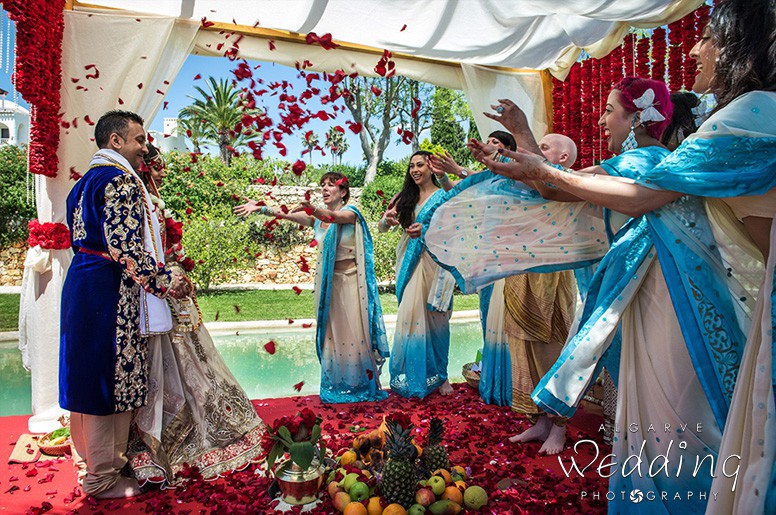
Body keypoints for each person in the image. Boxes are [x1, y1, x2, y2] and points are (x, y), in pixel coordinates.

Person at [484, 77, 752, 514]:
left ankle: (677, 497)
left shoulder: (642, 160)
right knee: (664, 402)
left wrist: (524, 139)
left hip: (662, 294)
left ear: (637, 118)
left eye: (610, 110)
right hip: (658, 289)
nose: (603, 118)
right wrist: (521, 135)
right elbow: (554, 184)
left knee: (666, 404)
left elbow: (554, 183)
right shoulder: (648, 161)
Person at [646, 2, 776, 512]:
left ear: (739, 43)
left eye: (707, 36)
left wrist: (541, 174)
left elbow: (643, 193)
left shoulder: (752, 112)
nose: (694, 48)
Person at [60, 110, 189, 498]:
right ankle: (103, 477)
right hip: (109, 293)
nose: (144, 148)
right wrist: (168, 283)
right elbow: (126, 250)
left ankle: (89, 460)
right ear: (115, 142)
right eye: (139, 139)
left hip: (83, 283)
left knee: (86, 373)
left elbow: (81, 240)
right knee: (110, 380)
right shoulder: (121, 182)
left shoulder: (82, 184)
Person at [126, 144, 265, 486]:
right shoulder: (141, 203)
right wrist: (170, 277)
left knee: (194, 357)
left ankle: (208, 416)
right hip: (158, 292)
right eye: (156, 166)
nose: (161, 171)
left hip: (173, 289)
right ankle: (168, 439)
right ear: (144, 167)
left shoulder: (152, 202)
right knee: (173, 360)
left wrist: (179, 270)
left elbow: (168, 249)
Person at [234, 172, 389, 403]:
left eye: (330, 186)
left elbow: (333, 217)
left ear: (343, 191)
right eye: (322, 186)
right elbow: (285, 214)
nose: (325, 189)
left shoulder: (351, 213)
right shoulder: (317, 219)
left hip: (351, 282)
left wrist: (313, 209)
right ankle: (339, 385)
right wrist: (261, 208)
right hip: (328, 284)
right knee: (333, 335)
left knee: (356, 334)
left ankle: (362, 385)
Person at [381, 151, 457, 398]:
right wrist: (388, 219)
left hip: (436, 264)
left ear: (431, 167)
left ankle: (441, 376)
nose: (415, 170)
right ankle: (415, 377)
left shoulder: (443, 195)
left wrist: (426, 230)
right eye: (412, 165)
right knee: (411, 317)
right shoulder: (405, 197)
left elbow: (453, 227)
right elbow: (383, 227)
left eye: (420, 165)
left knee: (438, 320)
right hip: (411, 264)